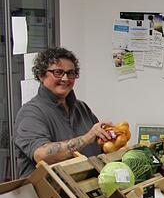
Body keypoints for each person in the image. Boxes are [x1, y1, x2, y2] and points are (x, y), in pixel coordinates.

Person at [14, 47, 113, 177]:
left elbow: (101, 144)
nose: (65, 79)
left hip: (87, 191)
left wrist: (113, 139)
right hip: (48, 195)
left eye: (70, 73)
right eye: (58, 72)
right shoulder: (31, 112)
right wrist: (87, 138)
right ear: (41, 75)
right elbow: (42, 155)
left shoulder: (81, 108)